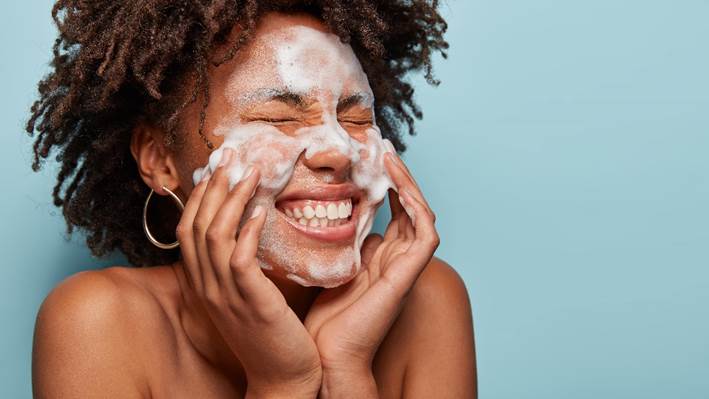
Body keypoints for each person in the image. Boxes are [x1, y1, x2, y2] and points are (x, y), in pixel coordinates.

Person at [28, 1, 476, 397]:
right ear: (160, 160)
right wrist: (284, 385)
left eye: (356, 117)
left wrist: (346, 372)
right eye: (277, 117)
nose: (337, 150)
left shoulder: (427, 301)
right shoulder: (97, 323)